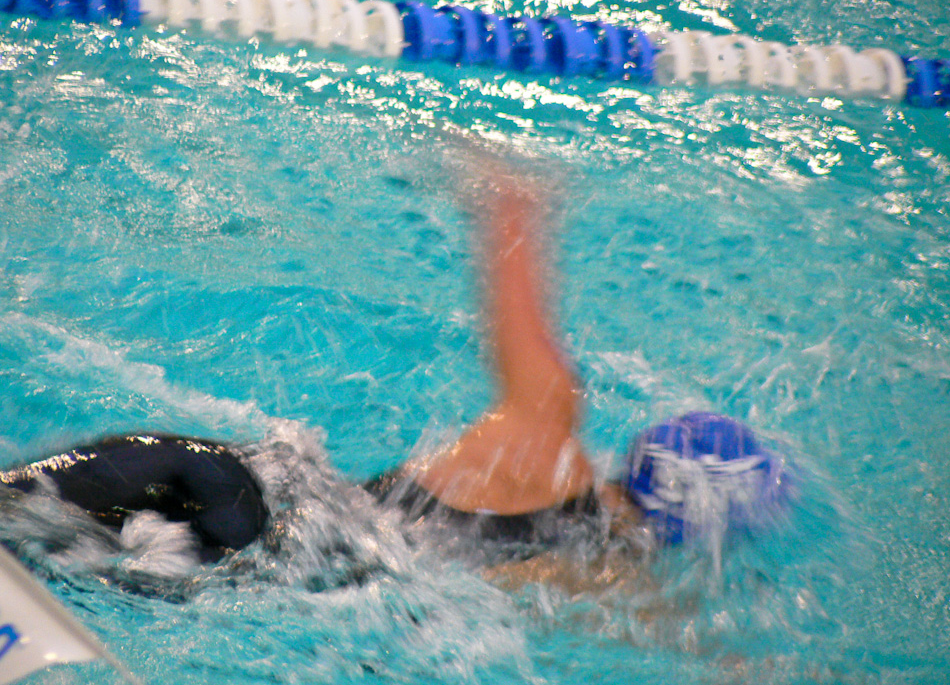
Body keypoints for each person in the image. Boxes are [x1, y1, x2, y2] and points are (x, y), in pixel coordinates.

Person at [0, 148, 787, 580]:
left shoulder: (546, 433)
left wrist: (515, 197)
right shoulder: (604, 583)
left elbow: (512, 239)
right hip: (251, 573)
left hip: (231, 488)